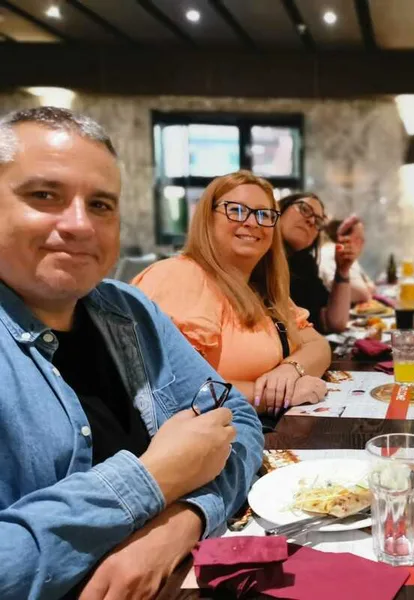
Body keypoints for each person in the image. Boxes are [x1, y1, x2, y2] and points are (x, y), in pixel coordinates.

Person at [0, 106, 263, 599]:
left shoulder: (129, 309)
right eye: (44, 195)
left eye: (101, 204)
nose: (80, 225)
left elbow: (239, 419)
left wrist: (179, 524)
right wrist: (156, 475)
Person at [134, 171, 331, 418]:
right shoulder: (179, 276)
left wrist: (291, 370)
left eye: (264, 215)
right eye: (236, 210)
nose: (252, 222)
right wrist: (270, 396)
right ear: (208, 218)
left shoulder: (260, 288)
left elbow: (318, 345)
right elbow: (173, 388)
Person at [278, 192, 354, 333]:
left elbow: (334, 323)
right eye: (304, 209)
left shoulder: (304, 264)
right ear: (280, 209)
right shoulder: (256, 259)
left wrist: (343, 270)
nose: (312, 221)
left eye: (318, 221)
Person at [319, 216, 374, 304]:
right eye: (358, 238)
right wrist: (366, 290)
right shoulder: (330, 252)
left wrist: (367, 289)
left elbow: (370, 285)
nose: (363, 243)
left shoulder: (352, 259)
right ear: (344, 238)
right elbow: (362, 293)